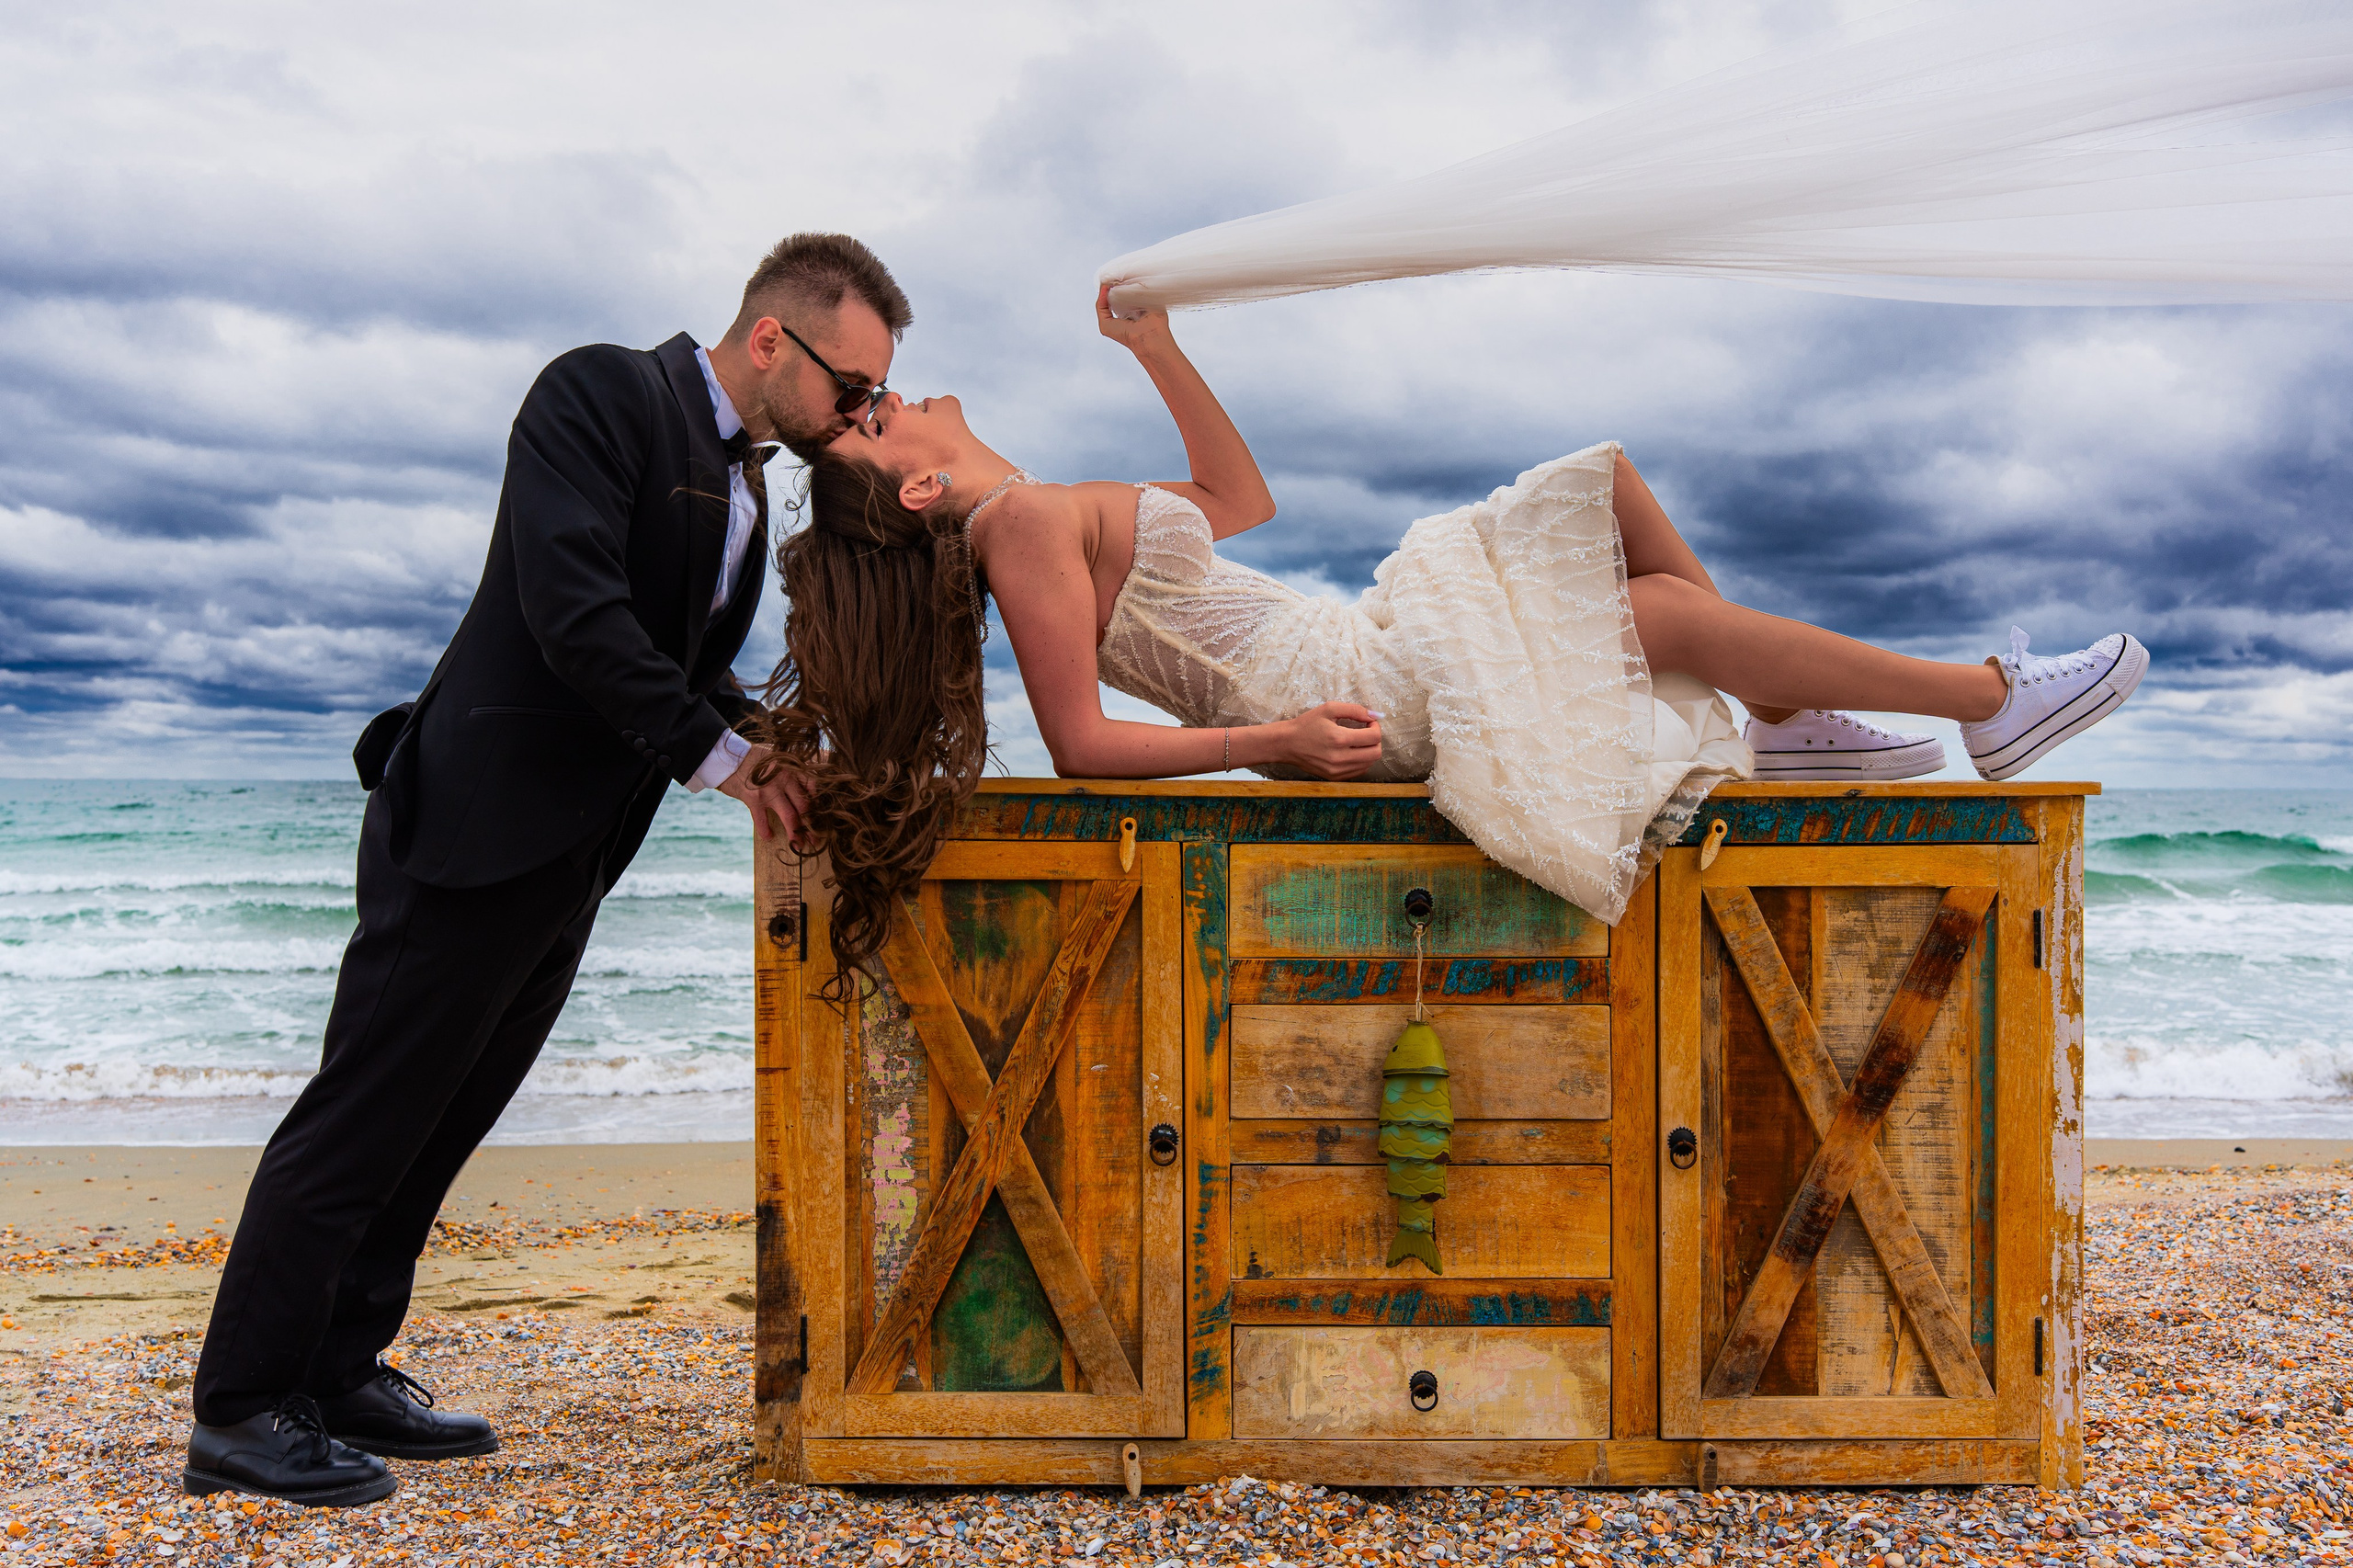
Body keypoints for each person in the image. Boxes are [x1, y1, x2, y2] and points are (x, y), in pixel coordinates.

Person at [755, 285, 2144, 981]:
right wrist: (1270, 743)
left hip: (1353, 640)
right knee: (1651, 608)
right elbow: (1078, 747)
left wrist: (1156, 349)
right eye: (880, 418)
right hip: (1341, 695)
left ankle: (1802, 721)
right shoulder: (1015, 533)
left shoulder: (1050, 505)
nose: (907, 393)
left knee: (1603, 490)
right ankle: (1981, 697)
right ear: (920, 486)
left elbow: (1245, 498)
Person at [183, 233, 905, 1507]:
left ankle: (344, 1364)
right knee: (360, 1114)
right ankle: (241, 1406)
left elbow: (679, 659)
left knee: (444, 1113)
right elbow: (575, 608)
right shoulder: (596, 392)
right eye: (854, 388)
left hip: (571, 851)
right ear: (769, 341)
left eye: (874, 401)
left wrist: (780, 739)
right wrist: (723, 762)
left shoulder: (741, 480)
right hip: (469, 826)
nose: (862, 415)